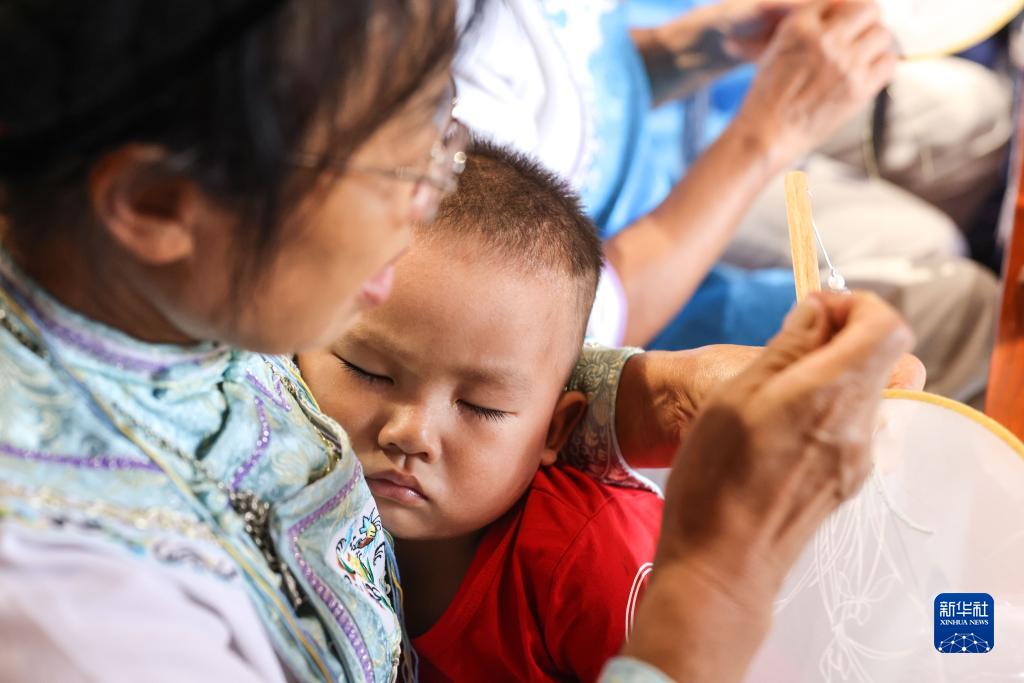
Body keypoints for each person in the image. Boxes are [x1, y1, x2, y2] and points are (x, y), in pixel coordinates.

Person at [0, 1, 916, 681]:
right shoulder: (78, 618)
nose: (426, 212)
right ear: (158, 204)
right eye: (399, 168)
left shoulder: (153, 283)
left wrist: (646, 395)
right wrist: (717, 581)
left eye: (443, 139)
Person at [453, 0, 996, 401]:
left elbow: (562, 74)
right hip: (644, 315)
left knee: (977, 119)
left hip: (661, 162)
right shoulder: (440, 79)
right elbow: (574, 329)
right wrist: (769, 132)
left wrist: (693, 48)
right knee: (962, 307)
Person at [299, 143, 664, 681]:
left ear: (553, 430)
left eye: (480, 406)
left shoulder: (594, 561)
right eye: (368, 370)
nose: (411, 433)